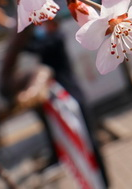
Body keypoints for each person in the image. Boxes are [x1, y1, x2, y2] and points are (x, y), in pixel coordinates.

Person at [24, 20, 109, 187]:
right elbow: (33, 44)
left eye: (44, 23)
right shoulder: (49, 38)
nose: (41, 27)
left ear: (53, 25)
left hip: (72, 96)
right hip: (62, 97)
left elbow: (33, 47)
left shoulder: (56, 38)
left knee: (87, 138)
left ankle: (102, 180)